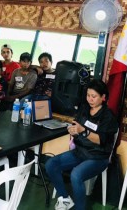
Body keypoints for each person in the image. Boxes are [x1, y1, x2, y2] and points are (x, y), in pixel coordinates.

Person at [45, 79, 118, 210]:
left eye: (94, 96)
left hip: (98, 156)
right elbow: (76, 126)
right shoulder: (84, 109)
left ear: (103, 97)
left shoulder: (108, 116)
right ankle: (65, 198)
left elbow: (101, 140)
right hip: (80, 151)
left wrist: (83, 131)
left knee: (76, 174)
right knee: (51, 164)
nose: (90, 99)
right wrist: (73, 130)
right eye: (88, 95)